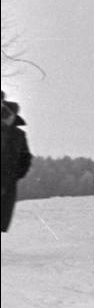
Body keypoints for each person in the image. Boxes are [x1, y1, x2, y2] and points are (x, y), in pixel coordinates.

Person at [1, 98, 33, 233]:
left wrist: (15, 174)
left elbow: (25, 158)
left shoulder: (19, 135)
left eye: (8, 115)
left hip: (7, 183)